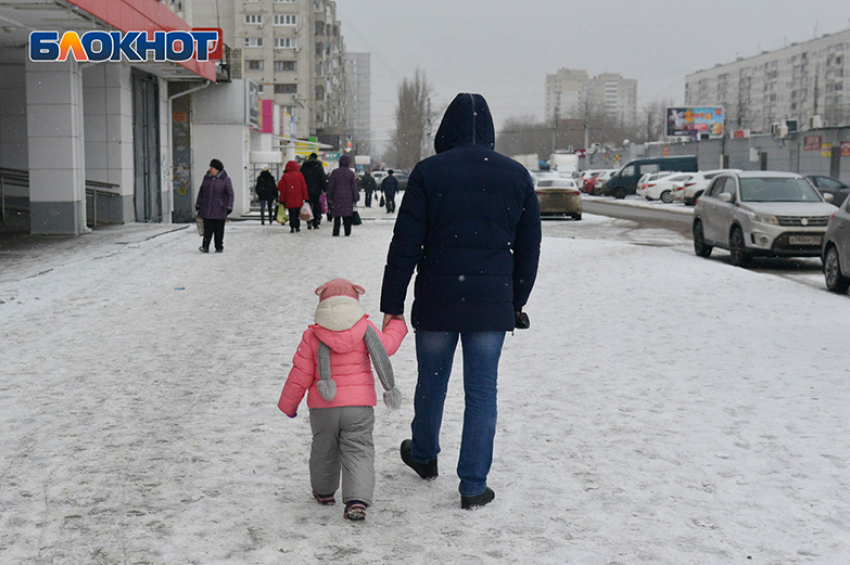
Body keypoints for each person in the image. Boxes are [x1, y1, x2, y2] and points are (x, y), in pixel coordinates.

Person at [380, 93, 542, 509]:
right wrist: (516, 301)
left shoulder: (429, 173)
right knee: (482, 392)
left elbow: (405, 245)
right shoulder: (516, 176)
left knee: (431, 382)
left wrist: (392, 303)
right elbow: (528, 250)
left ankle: (424, 454)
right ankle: (473, 485)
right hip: (491, 305)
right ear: (487, 130)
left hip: (437, 298)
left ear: (445, 129)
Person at [278, 278, 408, 521]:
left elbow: (300, 373)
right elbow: (387, 346)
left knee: (324, 449)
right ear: (355, 300)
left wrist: (289, 404)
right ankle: (357, 500)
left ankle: (324, 492)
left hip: (323, 408)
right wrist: (397, 325)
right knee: (358, 450)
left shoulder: (312, 334)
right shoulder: (365, 329)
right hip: (359, 408)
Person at [195, 158, 234, 253]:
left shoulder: (225, 180)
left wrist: (228, 206)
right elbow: (201, 192)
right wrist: (198, 204)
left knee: (219, 230)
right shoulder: (206, 178)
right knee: (207, 229)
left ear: (217, 169)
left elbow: (230, 194)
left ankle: (219, 246)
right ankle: (205, 246)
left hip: (220, 209)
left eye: (212, 167)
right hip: (207, 208)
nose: (210, 169)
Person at [327, 154, 359, 237]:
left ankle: (336, 232)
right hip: (348, 198)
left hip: (336, 198)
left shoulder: (335, 172)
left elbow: (331, 186)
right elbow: (354, 187)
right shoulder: (351, 173)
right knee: (347, 216)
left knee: (337, 217)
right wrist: (355, 197)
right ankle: (347, 232)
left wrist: (329, 197)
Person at [278, 160, 309, 233]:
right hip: (299, 198)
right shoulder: (300, 175)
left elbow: (283, 189)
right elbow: (303, 187)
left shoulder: (285, 176)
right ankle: (297, 226)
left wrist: (281, 199)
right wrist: (306, 197)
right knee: (297, 213)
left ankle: (292, 226)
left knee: (291, 213)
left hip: (289, 198)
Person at [300, 153, 328, 230]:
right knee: (316, 206)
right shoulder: (318, 166)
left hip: (307, 190)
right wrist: (325, 189)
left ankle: (309, 221)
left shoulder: (305, 166)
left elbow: (301, 177)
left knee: (308, 205)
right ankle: (316, 222)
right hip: (317, 190)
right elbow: (322, 178)